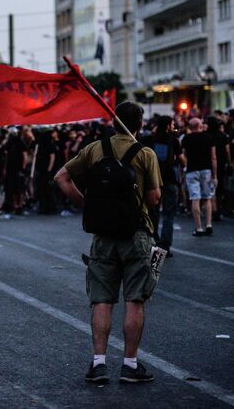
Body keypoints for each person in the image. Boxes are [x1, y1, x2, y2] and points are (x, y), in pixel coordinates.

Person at [55, 102, 161, 384]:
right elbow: (154, 199)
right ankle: (130, 364)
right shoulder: (145, 154)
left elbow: (61, 177)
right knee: (135, 300)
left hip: (102, 237)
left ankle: (99, 363)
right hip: (136, 235)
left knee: (101, 300)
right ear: (139, 124)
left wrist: (87, 204)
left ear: (114, 123)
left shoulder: (94, 149)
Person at [148, 116, 183, 256]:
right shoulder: (174, 140)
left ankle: (153, 242)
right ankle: (165, 246)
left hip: (153, 181)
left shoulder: (151, 140)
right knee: (169, 214)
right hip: (169, 180)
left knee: (153, 213)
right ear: (169, 126)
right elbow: (183, 161)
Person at [181, 117, 216, 236]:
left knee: (195, 198)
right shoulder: (209, 137)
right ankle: (209, 224)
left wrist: (183, 171)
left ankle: (199, 228)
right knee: (207, 198)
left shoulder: (186, 138)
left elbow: (184, 157)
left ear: (190, 127)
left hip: (192, 170)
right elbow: (213, 157)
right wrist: (215, 175)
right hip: (206, 170)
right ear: (200, 126)